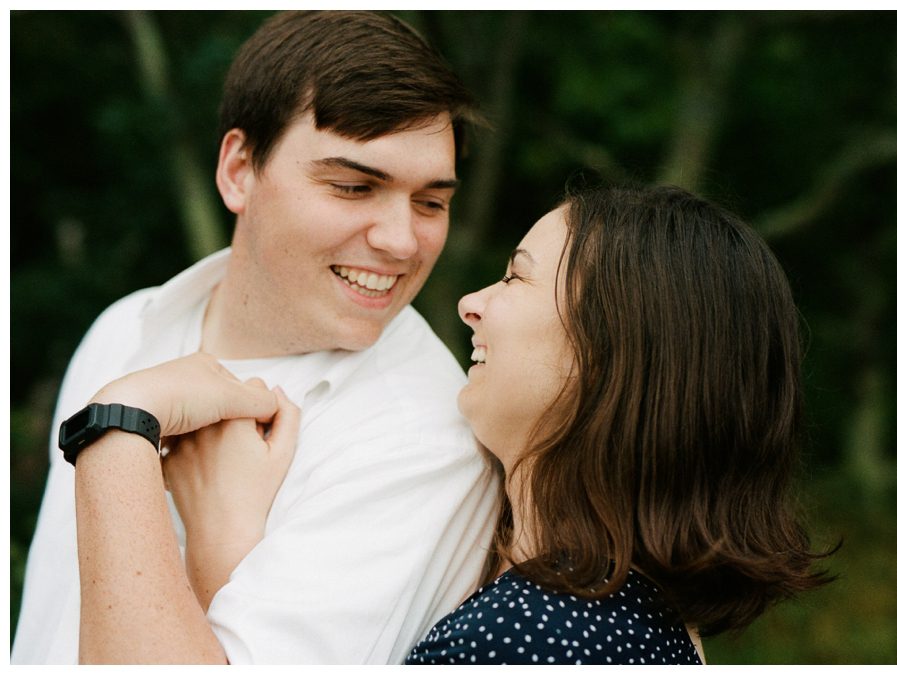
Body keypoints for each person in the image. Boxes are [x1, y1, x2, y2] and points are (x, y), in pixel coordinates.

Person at [13, 11, 501, 664]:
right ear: (240, 169)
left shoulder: (422, 442)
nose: (401, 241)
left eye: (431, 202)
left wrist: (117, 426)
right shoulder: (123, 327)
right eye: (354, 187)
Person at [174, 183, 835, 665]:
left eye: (516, 279)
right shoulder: (633, 616)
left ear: (606, 353)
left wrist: (218, 551)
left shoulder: (526, 638)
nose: (471, 303)